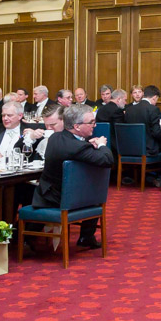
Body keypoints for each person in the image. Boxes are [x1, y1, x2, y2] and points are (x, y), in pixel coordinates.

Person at [31, 104, 113, 250]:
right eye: (91, 123)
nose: (94, 125)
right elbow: (107, 160)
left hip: (47, 191)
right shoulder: (78, 147)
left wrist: (89, 144)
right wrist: (101, 145)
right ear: (77, 126)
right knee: (93, 192)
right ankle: (86, 237)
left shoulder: (56, 137)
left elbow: (73, 149)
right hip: (61, 198)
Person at [123, 84, 161, 158]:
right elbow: (156, 133)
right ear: (154, 97)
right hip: (148, 149)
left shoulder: (129, 110)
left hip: (130, 148)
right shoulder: (153, 109)